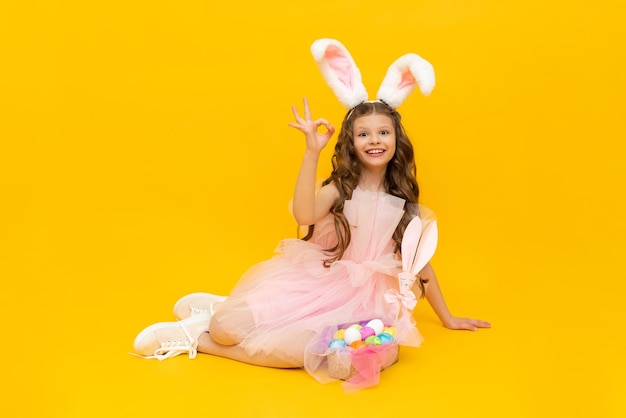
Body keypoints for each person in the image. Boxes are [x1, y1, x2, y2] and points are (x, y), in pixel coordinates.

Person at [132, 39, 490, 384]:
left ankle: (200, 340)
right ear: (351, 142)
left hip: (368, 304)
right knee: (229, 328)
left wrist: (449, 318)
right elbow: (304, 215)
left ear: (397, 139)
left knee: (317, 355)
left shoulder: (403, 199)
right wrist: (311, 153)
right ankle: (216, 318)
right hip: (322, 283)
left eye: (383, 132)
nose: (375, 140)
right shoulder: (340, 187)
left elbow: (420, 265)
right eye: (363, 134)